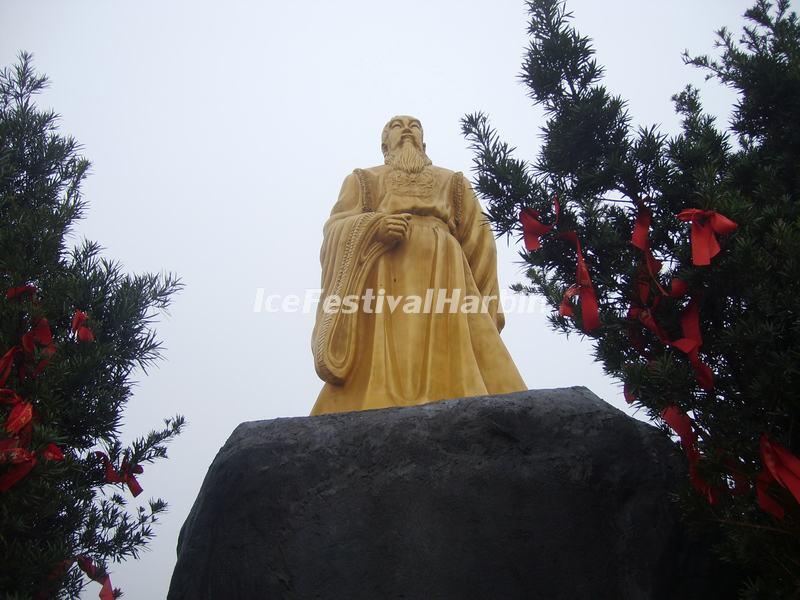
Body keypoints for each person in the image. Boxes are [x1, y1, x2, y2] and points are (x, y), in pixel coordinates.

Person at [310, 115, 525, 415]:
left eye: (415, 126)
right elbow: (335, 228)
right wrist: (375, 227)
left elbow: (480, 242)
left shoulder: (453, 182)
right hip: (384, 275)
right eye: (397, 126)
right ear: (384, 143)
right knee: (388, 350)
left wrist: (485, 304)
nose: (407, 129)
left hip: (447, 274)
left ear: (424, 142)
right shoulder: (363, 180)